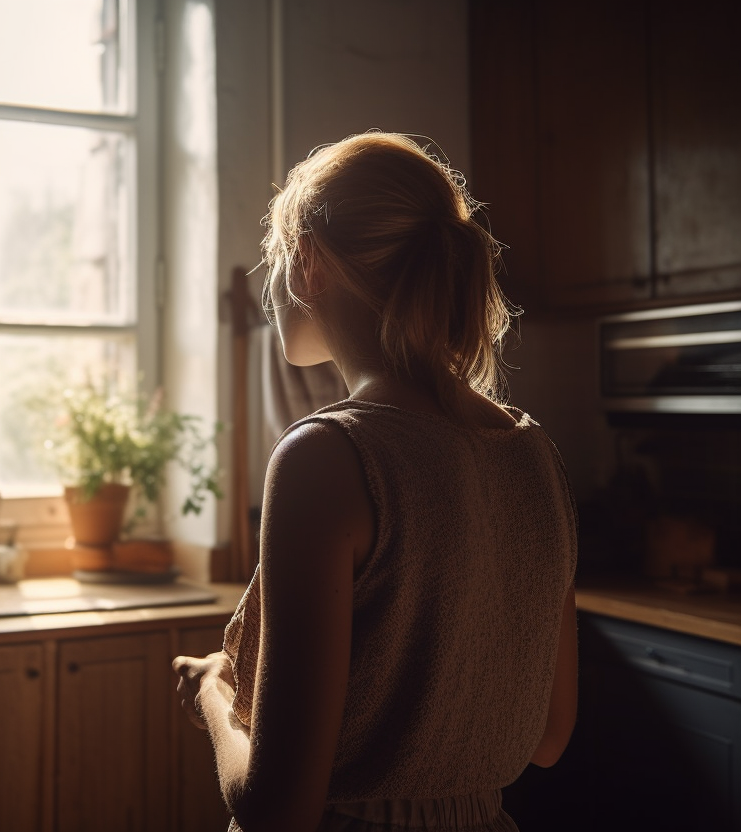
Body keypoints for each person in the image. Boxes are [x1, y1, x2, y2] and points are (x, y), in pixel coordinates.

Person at [171, 132, 578, 832]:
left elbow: (278, 812)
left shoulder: (327, 457)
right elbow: (548, 738)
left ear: (307, 265)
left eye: (275, 261)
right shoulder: (534, 454)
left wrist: (214, 691)